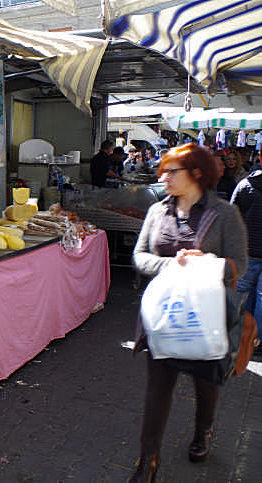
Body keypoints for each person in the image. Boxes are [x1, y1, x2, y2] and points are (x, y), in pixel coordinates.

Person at [129, 143, 248, 482]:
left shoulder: (225, 213)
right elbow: (139, 258)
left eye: (171, 171)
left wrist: (206, 265)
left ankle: (203, 432)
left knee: (205, 383)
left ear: (196, 173)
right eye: (162, 170)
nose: (162, 176)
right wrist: (172, 263)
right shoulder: (157, 212)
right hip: (164, 317)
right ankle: (148, 460)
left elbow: (240, 263)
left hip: (206, 317)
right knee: (157, 388)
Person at [231, 151, 262, 350]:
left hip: (247, 249)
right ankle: (257, 341)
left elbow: (232, 218)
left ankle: (242, 338)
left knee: (243, 294)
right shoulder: (244, 184)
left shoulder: (245, 185)